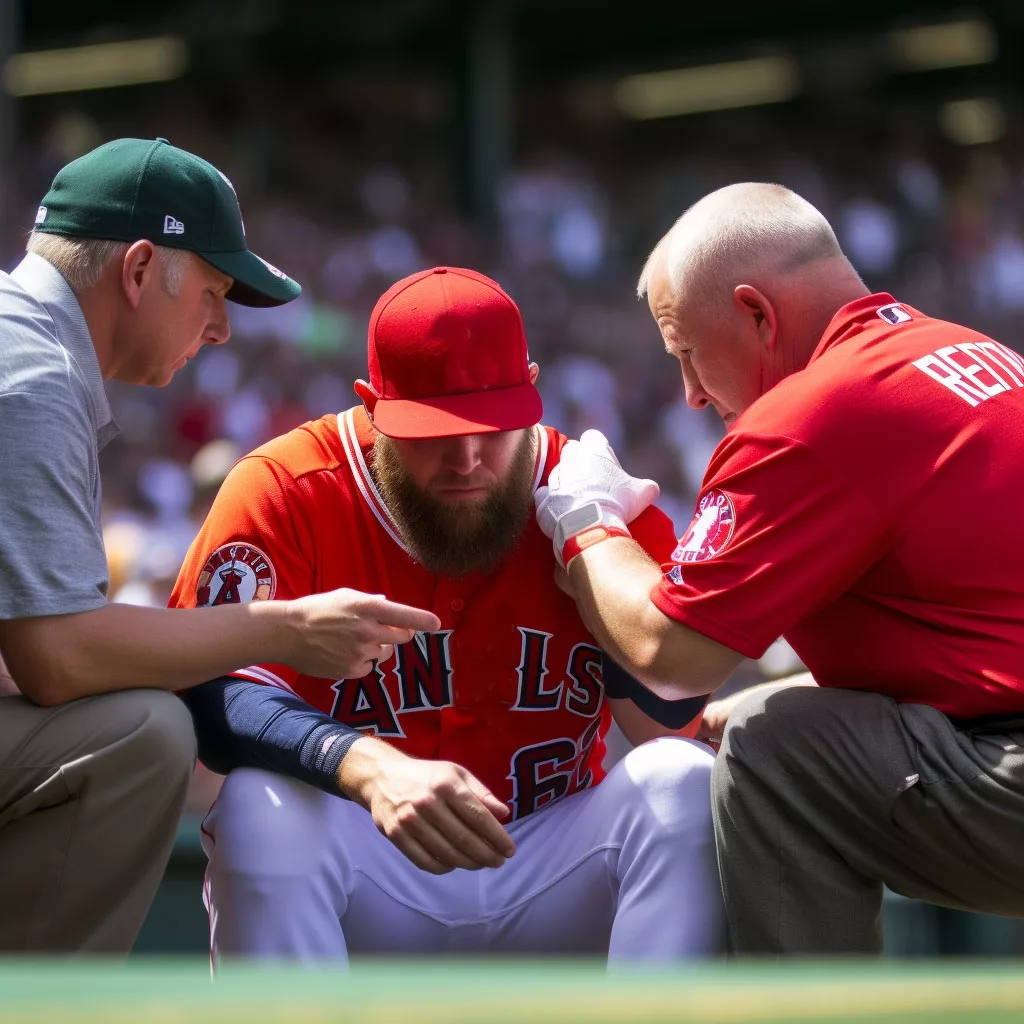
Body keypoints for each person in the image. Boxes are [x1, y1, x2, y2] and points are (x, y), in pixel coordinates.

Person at [170, 266, 722, 964]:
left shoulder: (584, 492)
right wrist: (363, 767)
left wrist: (594, 548)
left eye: (492, 425)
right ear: (372, 406)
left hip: (549, 866)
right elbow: (208, 697)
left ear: (531, 387)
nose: (466, 457)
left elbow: (669, 723)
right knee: (258, 809)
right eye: (431, 430)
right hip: (370, 867)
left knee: (685, 782)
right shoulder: (290, 489)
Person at [535, 181, 1024, 954]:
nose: (691, 394)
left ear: (758, 314)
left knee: (773, 750)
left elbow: (670, 656)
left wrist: (585, 524)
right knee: (777, 714)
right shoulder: (973, 353)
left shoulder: (814, 413)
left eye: (688, 352)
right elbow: (981, 634)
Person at [0, 137, 438, 953]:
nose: (222, 327)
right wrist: (285, 628)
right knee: (141, 733)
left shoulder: (23, 342)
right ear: (138, 271)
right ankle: (33, 1006)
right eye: (212, 289)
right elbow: (56, 659)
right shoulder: (32, 373)